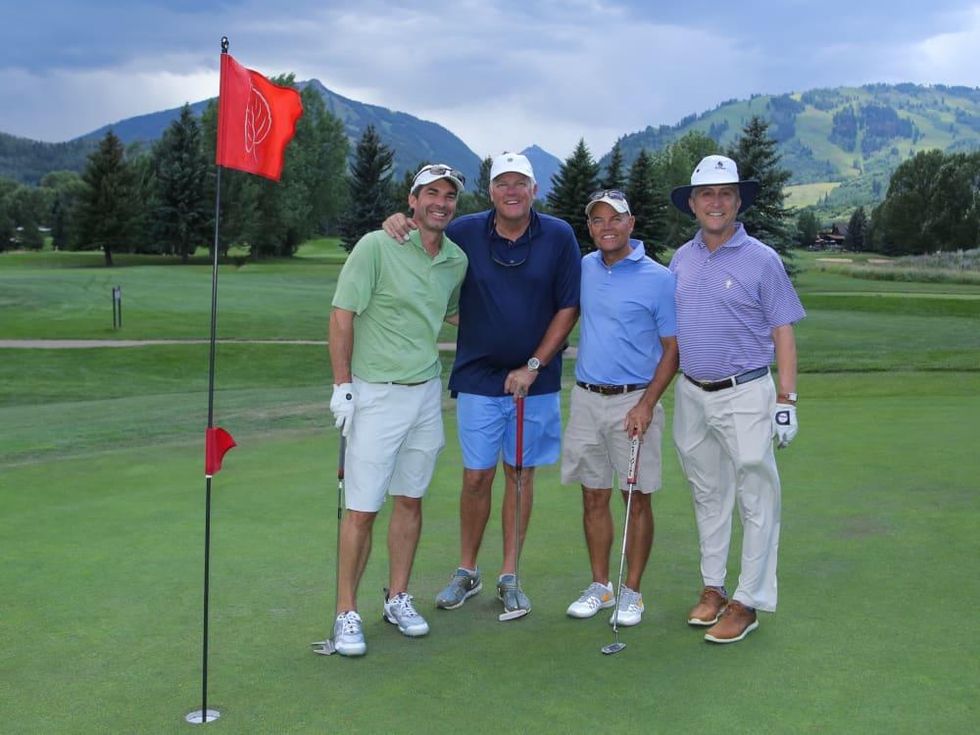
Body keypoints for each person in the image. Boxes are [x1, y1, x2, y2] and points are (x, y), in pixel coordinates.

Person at [383, 152, 581, 619]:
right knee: (476, 477)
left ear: (534, 190)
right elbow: (425, 237)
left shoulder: (558, 235)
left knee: (520, 475)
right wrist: (397, 221)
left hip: (535, 379)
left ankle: (510, 574)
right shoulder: (465, 231)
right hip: (477, 374)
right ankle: (467, 571)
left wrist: (533, 365)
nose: (512, 191)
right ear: (490, 192)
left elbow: (568, 307)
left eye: (520, 183)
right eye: (503, 184)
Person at [326, 164, 469, 656]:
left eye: (449, 196)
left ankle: (398, 598)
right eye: (432, 193)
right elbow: (342, 315)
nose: (441, 202)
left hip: (425, 393)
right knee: (363, 509)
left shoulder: (455, 259)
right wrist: (343, 386)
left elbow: (450, 312)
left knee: (410, 499)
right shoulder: (376, 245)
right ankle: (346, 611)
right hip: (376, 393)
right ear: (413, 200)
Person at [668, 154, 805, 644]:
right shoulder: (681, 259)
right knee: (707, 492)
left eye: (726, 194)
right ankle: (713, 588)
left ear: (738, 201)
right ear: (692, 203)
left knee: (756, 496)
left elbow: (783, 330)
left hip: (745, 391)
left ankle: (748, 601)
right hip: (691, 393)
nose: (716, 202)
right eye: (706, 194)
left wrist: (786, 398)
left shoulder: (762, 259)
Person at [560, 190, 678, 628]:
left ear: (631, 223)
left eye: (615, 218)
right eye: (598, 220)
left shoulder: (659, 278)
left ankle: (632, 592)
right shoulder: (585, 268)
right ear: (590, 228)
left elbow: (673, 349)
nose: (606, 227)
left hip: (634, 401)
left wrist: (647, 404)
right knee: (593, 495)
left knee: (636, 500)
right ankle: (601, 586)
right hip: (586, 398)